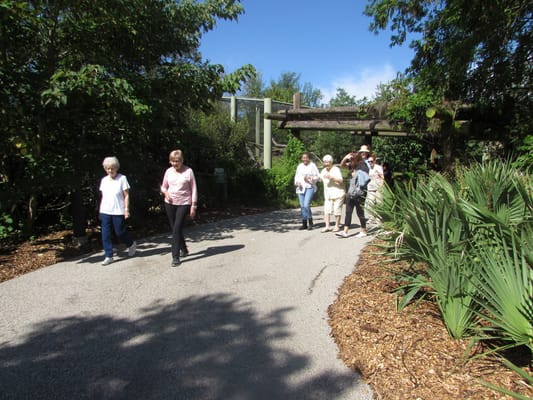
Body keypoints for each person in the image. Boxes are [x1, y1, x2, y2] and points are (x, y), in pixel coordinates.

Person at [161, 149, 198, 267]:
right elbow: (163, 187)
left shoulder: (189, 171)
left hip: (184, 203)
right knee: (174, 228)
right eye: (172, 161)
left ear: (182, 160)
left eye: (176, 161)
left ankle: (175, 256)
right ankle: (184, 249)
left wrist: (193, 205)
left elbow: (194, 189)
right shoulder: (168, 171)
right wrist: (166, 193)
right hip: (169, 203)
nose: (174, 164)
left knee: (177, 228)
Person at [98, 156, 136, 266]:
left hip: (118, 210)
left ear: (117, 168)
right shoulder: (104, 180)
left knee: (120, 232)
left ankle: (131, 244)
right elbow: (103, 196)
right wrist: (100, 210)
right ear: (105, 169)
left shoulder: (122, 178)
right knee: (105, 234)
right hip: (105, 210)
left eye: (112, 168)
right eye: (108, 168)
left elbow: (126, 195)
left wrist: (126, 209)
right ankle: (108, 255)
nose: (110, 170)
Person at [336, 151, 370, 238]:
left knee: (360, 212)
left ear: (356, 159)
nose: (350, 161)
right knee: (348, 212)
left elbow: (366, 178)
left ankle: (363, 230)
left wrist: (357, 174)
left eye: (351, 159)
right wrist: (345, 157)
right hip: (350, 193)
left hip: (360, 193)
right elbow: (342, 165)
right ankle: (345, 231)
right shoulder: (352, 166)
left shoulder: (363, 166)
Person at [319, 155, 345, 232]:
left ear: (331, 162)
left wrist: (332, 178)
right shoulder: (323, 170)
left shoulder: (336, 169)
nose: (326, 164)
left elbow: (341, 180)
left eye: (328, 162)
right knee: (327, 210)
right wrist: (312, 178)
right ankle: (327, 226)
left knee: (337, 209)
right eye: (325, 162)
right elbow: (320, 178)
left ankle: (337, 226)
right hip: (328, 194)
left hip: (338, 193)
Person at [294, 152, 319, 230]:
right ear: (301, 159)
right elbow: (297, 176)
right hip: (301, 188)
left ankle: (310, 222)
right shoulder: (299, 166)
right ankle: (304, 223)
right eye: (303, 158)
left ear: (309, 158)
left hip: (310, 187)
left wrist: (312, 179)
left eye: (306, 158)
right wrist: (297, 182)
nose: (305, 159)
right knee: (302, 206)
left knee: (306, 205)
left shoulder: (312, 165)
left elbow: (317, 176)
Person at [365, 154, 384, 225]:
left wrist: (381, 186)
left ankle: (379, 218)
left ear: (374, 161)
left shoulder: (378, 167)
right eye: (369, 161)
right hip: (370, 187)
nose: (370, 163)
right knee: (370, 203)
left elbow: (382, 177)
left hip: (378, 187)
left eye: (371, 161)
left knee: (379, 203)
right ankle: (371, 218)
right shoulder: (369, 168)